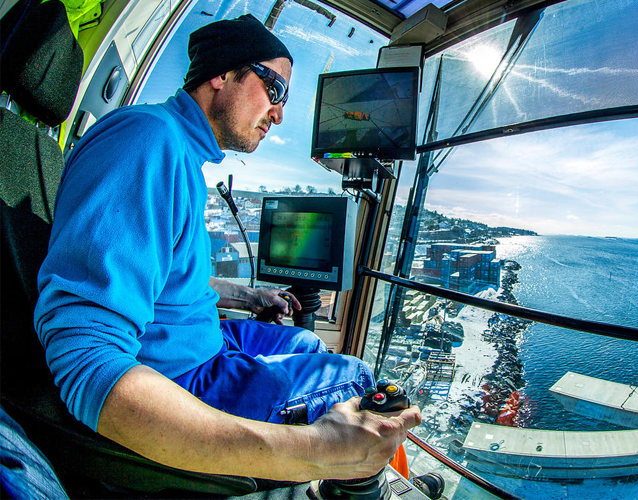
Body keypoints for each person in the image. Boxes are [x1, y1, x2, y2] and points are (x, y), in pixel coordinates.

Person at [34, 13, 420, 482]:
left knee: (306, 340)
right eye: (274, 90)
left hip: (198, 339)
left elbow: (164, 277)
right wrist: (312, 448)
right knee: (355, 375)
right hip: (180, 373)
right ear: (221, 74)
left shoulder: (175, 149)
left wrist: (249, 297)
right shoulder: (147, 141)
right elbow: (85, 352)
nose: (279, 114)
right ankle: (384, 484)